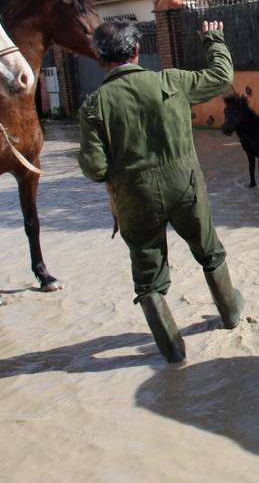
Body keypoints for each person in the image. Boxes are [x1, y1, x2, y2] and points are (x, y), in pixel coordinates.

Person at [77, 18, 244, 362]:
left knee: (148, 281)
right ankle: (230, 316)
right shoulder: (173, 81)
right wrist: (213, 39)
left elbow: (95, 169)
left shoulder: (94, 106)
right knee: (209, 253)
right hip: (185, 187)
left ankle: (175, 356)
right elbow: (222, 76)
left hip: (135, 199)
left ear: (100, 60)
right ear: (137, 50)